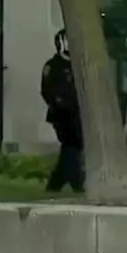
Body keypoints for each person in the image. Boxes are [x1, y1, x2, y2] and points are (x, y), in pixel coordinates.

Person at [42, 29, 84, 194]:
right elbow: (47, 90)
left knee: (71, 148)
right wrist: (59, 102)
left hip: (77, 113)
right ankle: (76, 184)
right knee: (71, 145)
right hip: (61, 115)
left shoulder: (78, 64)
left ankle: (55, 184)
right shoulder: (53, 65)